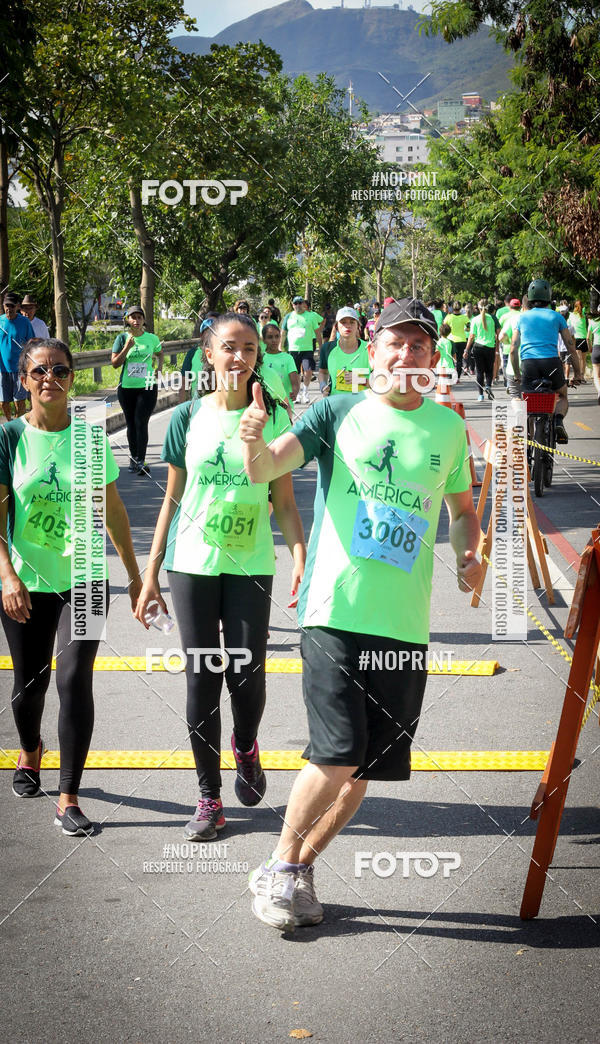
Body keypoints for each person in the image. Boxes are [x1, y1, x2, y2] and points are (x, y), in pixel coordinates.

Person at [239, 298, 482, 932]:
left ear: (434, 358)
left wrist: (471, 553)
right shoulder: (338, 410)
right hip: (333, 610)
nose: (407, 356)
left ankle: (298, 869)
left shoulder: (447, 428)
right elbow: (269, 467)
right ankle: (276, 865)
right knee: (338, 749)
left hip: (404, 623)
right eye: (394, 344)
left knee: (365, 770)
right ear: (371, 351)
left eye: (419, 346)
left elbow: (460, 509)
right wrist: (252, 441)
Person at [135, 312, 306, 841]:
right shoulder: (186, 417)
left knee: (246, 674)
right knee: (202, 677)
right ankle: (208, 798)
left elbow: (284, 501)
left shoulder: (273, 415)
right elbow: (172, 498)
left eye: (250, 348)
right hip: (193, 565)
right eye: (229, 347)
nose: (240, 357)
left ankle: (247, 746)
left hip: (251, 562)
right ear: (208, 354)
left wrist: (300, 555)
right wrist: (150, 573)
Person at [0, 338, 141, 835]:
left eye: (60, 370)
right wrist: (7, 576)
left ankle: (68, 797)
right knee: (29, 687)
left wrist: (136, 573)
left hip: (84, 578)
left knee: (74, 678)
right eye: (39, 371)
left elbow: (113, 509)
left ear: (71, 380)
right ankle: (31, 750)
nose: (50, 379)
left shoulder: (87, 437)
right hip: (25, 582)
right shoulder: (9, 437)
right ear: (24, 379)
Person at [510, 278, 581, 443]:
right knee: (562, 395)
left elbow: (513, 348)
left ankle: (527, 439)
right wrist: (578, 373)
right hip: (551, 363)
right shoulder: (557, 317)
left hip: (529, 364)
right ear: (548, 296)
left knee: (525, 400)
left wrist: (516, 374)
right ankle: (558, 420)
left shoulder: (522, 318)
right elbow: (571, 346)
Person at [111, 306, 163, 476]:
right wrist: (127, 347)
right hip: (127, 388)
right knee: (131, 424)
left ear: (143, 320)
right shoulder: (122, 338)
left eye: (140, 317)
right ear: (127, 320)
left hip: (148, 385)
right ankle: (134, 459)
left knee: (141, 422)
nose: (136, 320)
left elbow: (160, 353)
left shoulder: (152, 338)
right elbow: (115, 363)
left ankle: (141, 460)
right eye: (133, 317)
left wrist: (159, 368)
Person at [280, 297, 324, 405]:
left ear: (303, 304)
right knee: (296, 373)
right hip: (293, 350)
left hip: (307, 348)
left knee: (308, 370)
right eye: (296, 303)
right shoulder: (288, 317)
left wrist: (321, 346)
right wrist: (280, 346)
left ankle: (305, 391)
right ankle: (298, 393)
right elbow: (283, 332)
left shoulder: (310, 316)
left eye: (300, 303)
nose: (298, 305)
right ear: (292, 304)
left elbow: (317, 332)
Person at [318, 307, 370, 396]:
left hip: (364, 406)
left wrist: (362, 381)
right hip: (336, 405)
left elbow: (383, 383)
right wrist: (323, 386)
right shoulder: (327, 348)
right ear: (336, 327)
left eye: (352, 322)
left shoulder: (370, 349)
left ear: (358, 326)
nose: (348, 326)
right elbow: (323, 372)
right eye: (343, 322)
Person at [0, 293, 35, 420]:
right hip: (2, 369)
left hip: (19, 369)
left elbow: (31, 343)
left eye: (11, 306)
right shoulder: (0, 321)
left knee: (19, 401)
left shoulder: (24, 322)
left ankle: (18, 425)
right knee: (3, 402)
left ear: (17, 306)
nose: (8, 308)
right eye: (6, 305)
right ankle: (9, 422)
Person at [260, 322, 299, 416]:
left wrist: (295, 391)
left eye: (277, 336)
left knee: (287, 430)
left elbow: (294, 381)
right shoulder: (260, 359)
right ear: (264, 340)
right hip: (266, 406)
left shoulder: (288, 358)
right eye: (270, 337)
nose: (274, 340)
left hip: (285, 406)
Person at [466, 299, 498, 400]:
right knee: (489, 370)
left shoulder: (475, 320)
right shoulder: (493, 318)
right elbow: (497, 334)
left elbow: (471, 336)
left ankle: (480, 395)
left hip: (478, 347)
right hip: (490, 347)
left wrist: (466, 349)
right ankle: (488, 386)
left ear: (478, 308)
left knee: (479, 372)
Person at [498, 299, 521, 388]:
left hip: (508, 347)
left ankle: (508, 384)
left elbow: (500, 334)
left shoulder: (505, 317)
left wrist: (506, 342)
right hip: (521, 350)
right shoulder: (522, 316)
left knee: (506, 365)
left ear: (510, 307)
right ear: (519, 307)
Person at [445, 302, 469, 380]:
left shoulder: (448, 317)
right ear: (460, 308)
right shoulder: (464, 317)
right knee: (459, 360)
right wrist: (465, 329)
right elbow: (469, 327)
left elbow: (444, 327)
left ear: (452, 307)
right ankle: (458, 377)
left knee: (450, 359)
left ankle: (451, 375)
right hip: (462, 340)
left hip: (451, 340)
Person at [570, 300, 588, 381]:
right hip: (584, 338)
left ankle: (578, 375)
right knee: (583, 360)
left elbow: (569, 326)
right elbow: (583, 309)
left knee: (578, 359)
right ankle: (582, 376)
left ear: (574, 306)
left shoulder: (572, 315)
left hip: (576, 339)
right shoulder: (584, 314)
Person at [586, 308, 600, 404]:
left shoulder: (592, 322)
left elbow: (587, 338)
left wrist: (590, 348)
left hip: (596, 349)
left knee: (597, 376)